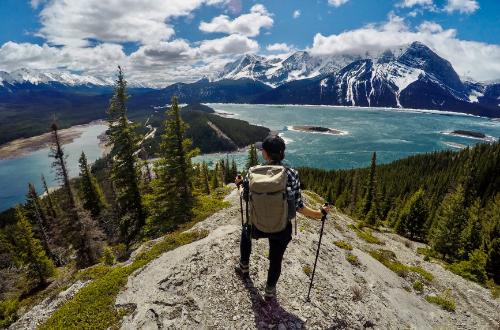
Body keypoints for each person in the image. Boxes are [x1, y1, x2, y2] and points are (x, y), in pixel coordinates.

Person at [235, 134, 330, 301]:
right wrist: (319, 213)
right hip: (280, 227)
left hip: (257, 225)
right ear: (282, 153)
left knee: (245, 230)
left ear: (265, 154)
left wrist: (239, 185)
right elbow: (299, 207)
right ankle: (270, 290)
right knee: (276, 257)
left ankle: (244, 267)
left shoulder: (253, 172)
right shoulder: (291, 174)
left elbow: (245, 197)